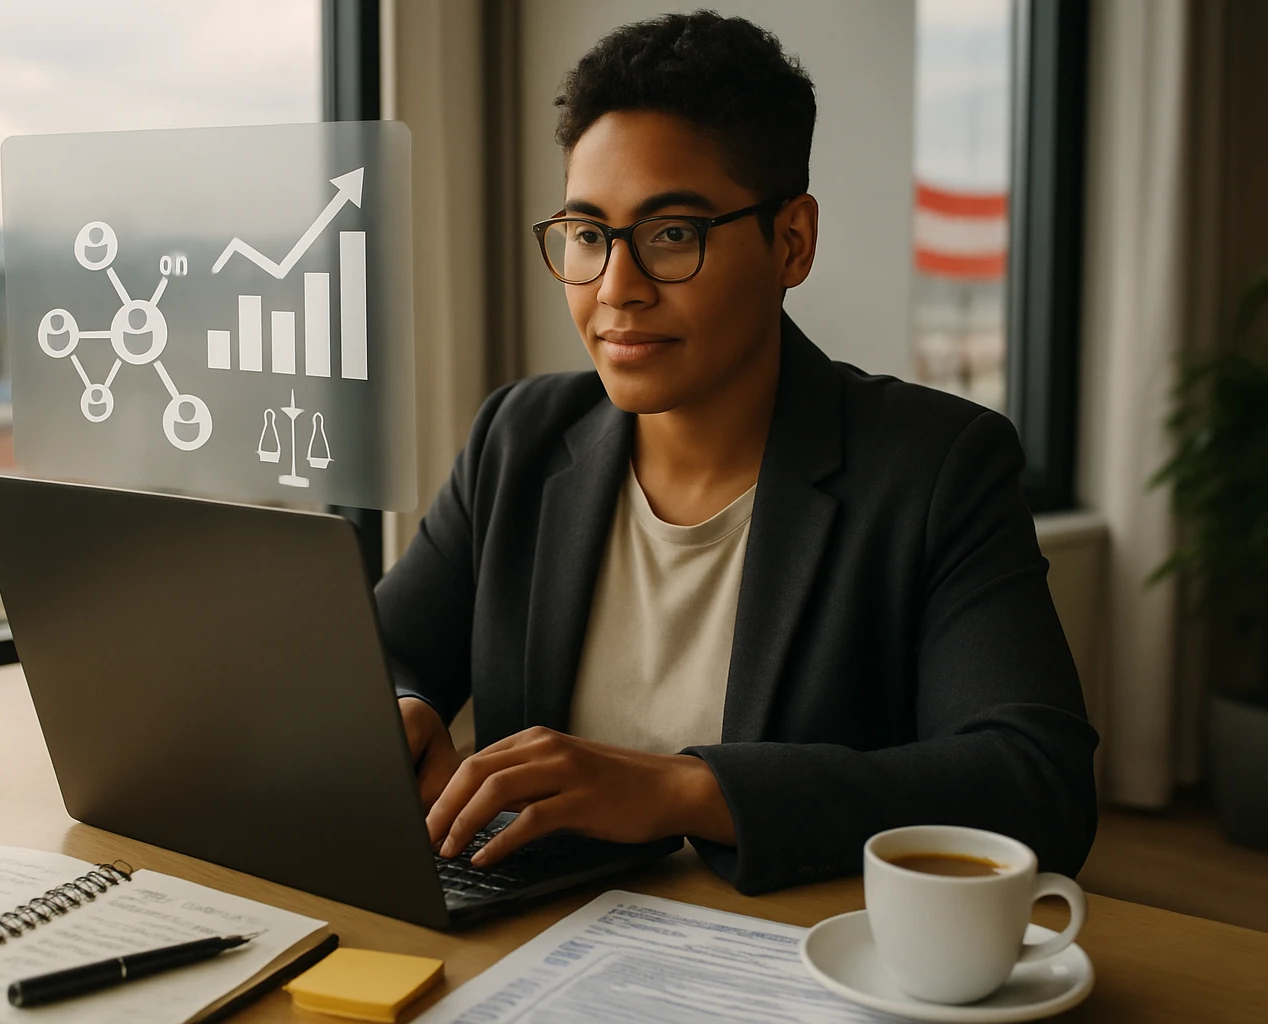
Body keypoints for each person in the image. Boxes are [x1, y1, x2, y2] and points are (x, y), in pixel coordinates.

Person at [374, 11, 1098, 895]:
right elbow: (380, 651)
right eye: (589, 234)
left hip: (791, 957)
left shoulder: (936, 468)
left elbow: (1037, 782)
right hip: (535, 940)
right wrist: (402, 710)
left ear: (790, 241)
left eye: (672, 233)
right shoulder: (517, 439)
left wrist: (685, 788)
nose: (616, 289)